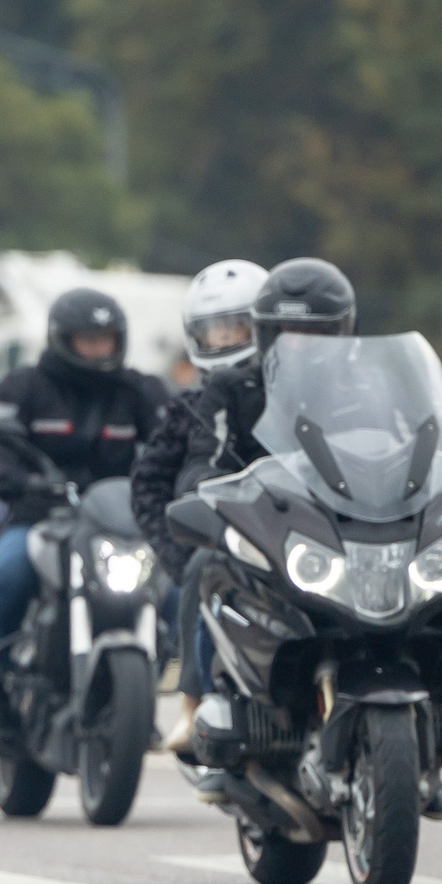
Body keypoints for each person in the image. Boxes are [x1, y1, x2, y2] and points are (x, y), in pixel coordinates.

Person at [134, 258, 356, 749]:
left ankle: (428, 710)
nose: (302, 342)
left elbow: (406, 441)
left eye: (316, 331)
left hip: (348, 523)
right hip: (265, 524)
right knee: (205, 564)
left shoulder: (361, 384)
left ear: (344, 331)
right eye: (289, 331)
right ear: (269, 333)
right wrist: (220, 494)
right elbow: (199, 462)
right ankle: (194, 700)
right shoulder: (232, 388)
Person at [0, 287, 170, 719]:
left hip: (120, 525)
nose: (100, 349)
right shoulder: (24, 387)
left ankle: (152, 689)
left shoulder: (139, 391)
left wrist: (180, 481)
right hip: (42, 520)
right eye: (89, 340)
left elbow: (171, 446)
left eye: (107, 340)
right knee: (11, 572)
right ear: (63, 339)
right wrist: (11, 478)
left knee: (176, 585)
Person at [127, 259, 269, 746]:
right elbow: (148, 484)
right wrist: (177, 552)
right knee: (204, 567)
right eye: (213, 332)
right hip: (232, 536)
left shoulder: (300, 389)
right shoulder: (191, 404)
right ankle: (195, 701)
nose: (225, 341)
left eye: (236, 327)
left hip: (303, 529)